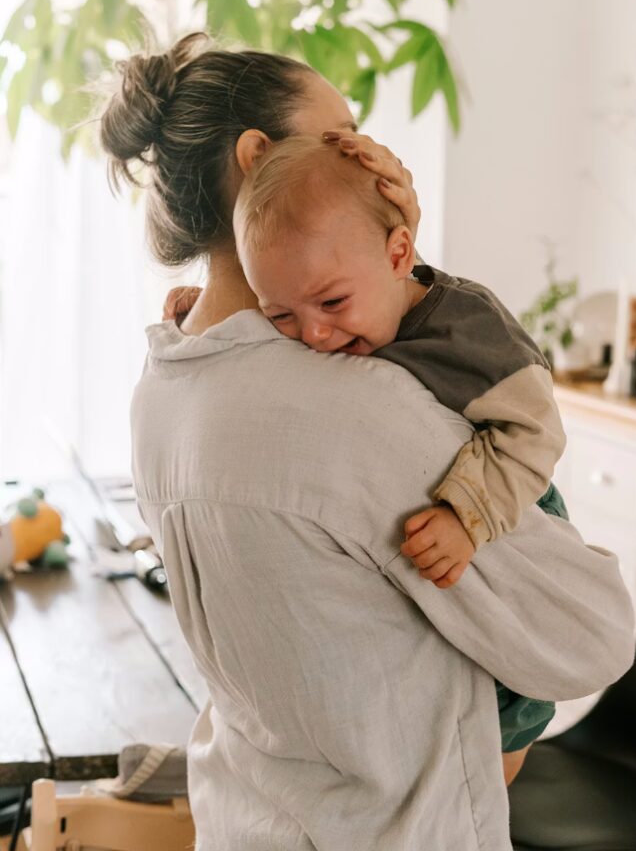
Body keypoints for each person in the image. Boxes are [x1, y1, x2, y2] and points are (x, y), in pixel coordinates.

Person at [101, 33, 635, 850]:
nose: (373, 162)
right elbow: (590, 637)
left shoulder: (160, 391)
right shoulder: (350, 407)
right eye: (343, 137)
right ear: (258, 158)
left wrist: (377, 239)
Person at [228, 133, 568, 757]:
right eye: (280, 315)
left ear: (399, 254)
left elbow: (537, 433)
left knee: (504, 712)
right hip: (419, 540)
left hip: (504, 499)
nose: (313, 334)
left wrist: (467, 518)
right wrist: (211, 315)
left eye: (332, 302)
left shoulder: (470, 331)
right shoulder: (331, 301)